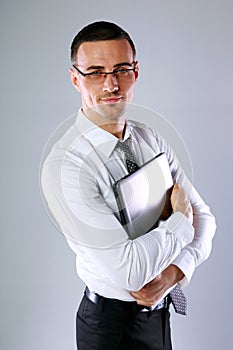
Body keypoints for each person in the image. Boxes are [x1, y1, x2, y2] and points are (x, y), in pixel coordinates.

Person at [40, 21, 216, 350]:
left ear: (136, 71)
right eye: (95, 71)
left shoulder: (151, 139)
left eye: (121, 69)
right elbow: (131, 273)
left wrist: (172, 273)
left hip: (160, 314)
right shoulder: (66, 167)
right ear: (75, 78)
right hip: (111, 327)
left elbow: (206, 219)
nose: (111, 84)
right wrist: (180, 219)